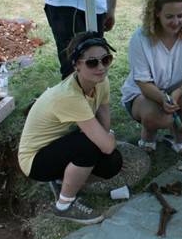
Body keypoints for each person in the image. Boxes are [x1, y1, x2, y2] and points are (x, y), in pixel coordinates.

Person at [18, 32, 122, 225]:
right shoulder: (69, 96)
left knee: (112, 163)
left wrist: (107, 137)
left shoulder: (101, 82)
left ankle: (63, 180)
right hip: (34, 160)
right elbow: (106, 144)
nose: (101, 67)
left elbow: (105, 121)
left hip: (57, 146)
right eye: (92, 63)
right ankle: (64, 205)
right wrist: (107, 138)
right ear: (77, 65)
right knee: (89, 146)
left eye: (106, 60)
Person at [120, 0, 182, 154]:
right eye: (169, 16)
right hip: (142, 94)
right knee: (154, 115)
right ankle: (148, 132)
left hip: (176, 91)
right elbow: (142, 82)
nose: (176, 22)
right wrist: (162, 98)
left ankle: (176, 133)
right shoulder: (140, 38)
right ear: (156, 13)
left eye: (180, 15)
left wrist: (178, 92)